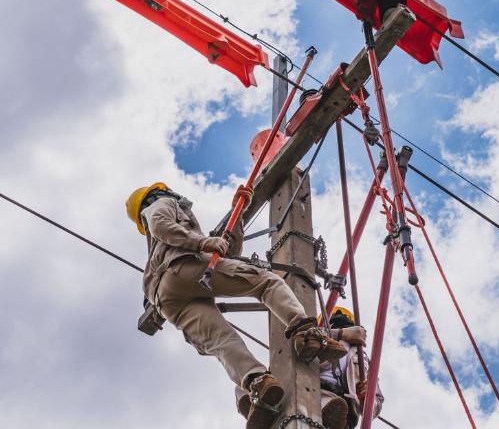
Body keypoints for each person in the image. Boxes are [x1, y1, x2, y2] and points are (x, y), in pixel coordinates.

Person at [126, 182, 346, 429]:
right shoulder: (160, 204)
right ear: (160, 192)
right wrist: (202, 243)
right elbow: (162, 225)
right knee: (265, 282)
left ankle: (258, 383)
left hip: (166, 299)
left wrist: (237, 214)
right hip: (180, 269)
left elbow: (228, 253)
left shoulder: (157, 250)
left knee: (221, 340)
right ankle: (305, 333)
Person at [318, 307, 384, 429]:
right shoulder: (320, 335)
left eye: (344, 315)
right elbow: (304, 337)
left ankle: (333, 415)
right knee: (328, 405)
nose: (339, 315)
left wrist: (367, 398)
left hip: (346, 413)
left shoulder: (363, 358)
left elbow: (378, 401)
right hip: (316, 392)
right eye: (335, 314)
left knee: (337, 411)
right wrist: (340, 334)